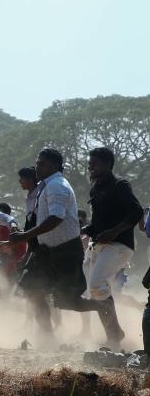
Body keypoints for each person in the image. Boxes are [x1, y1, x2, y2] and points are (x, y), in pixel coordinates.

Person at [5, 148, 120, 345]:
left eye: (41, 163)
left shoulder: (57, 186)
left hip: (65, 252)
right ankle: (46, 338)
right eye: (37, 163)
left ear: (55, 166)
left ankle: (104, 309)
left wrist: (24, 236)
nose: (37, 167)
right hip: (45, 252)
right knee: (33, 292)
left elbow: (55, 218)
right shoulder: (44, 186)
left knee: (70, 302)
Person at [78, 147, 140, 346]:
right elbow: (98, 223)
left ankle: (115, 333)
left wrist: (114, 232)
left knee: (97, 284)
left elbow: (136, 212)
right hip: (98, 246)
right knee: (93, 289)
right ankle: (114, 333)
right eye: (90, 163)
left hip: (119, 246)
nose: (90, 166)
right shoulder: (96, 189)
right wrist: (84, 230)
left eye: (94, 163)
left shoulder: (120, 185)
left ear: (108, 164)